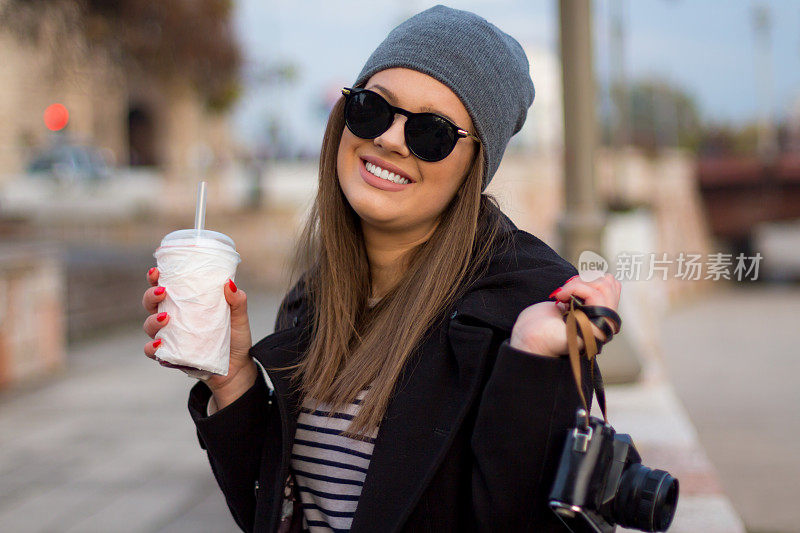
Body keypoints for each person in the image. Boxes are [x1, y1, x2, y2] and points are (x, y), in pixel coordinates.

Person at [141, 5, 621, 532]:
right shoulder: (314, 299)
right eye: (372, 109)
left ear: (475, 167)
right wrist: (233, 382)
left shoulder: (522, 309)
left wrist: (531, 359)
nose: (390, 139)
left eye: (433, 133)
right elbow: (280, 514)